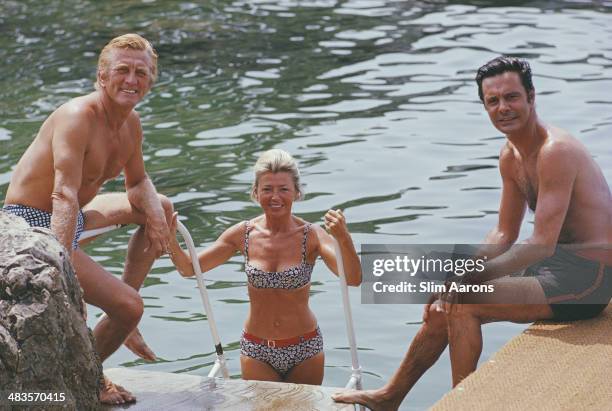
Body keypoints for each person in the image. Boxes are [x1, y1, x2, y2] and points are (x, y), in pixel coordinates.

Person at [333, 56, 612, 410]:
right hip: (553, 267)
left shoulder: (555, 152)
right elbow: (503, 233)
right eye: (492, 101)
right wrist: (459, 272)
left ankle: (460, 404)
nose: (503, 108)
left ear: (531, 97)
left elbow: (541, 243)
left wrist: (465, 282)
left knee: (463, 303)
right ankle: (390, 396)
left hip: (588, 280)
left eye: (511, 97)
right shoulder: (510, 155)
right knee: (439, 303)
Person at [2, 34, 174, 405]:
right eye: (122, 71)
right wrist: (59, 270)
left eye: (141, 73)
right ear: (101, 76)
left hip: (73, 215)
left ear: (150, 81)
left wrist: (157, 216)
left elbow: (138, 181)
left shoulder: (131, 124)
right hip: (34, 224)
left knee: (161, 204)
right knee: (129, 306)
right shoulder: (77, 116)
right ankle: (90, 375)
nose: (131, 80)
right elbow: (62, 192)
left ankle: (121, 326)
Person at [167, 148, 362, 384]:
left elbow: (352, 278)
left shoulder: (312, 235)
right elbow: (189, 268)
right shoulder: (243, 234)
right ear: (256, 193)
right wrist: (168, 237)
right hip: (257, 349)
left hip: (305, 348)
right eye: (267, 189)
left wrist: (343, 237)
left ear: (297, 193)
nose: (275, 197)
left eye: (283, 189)